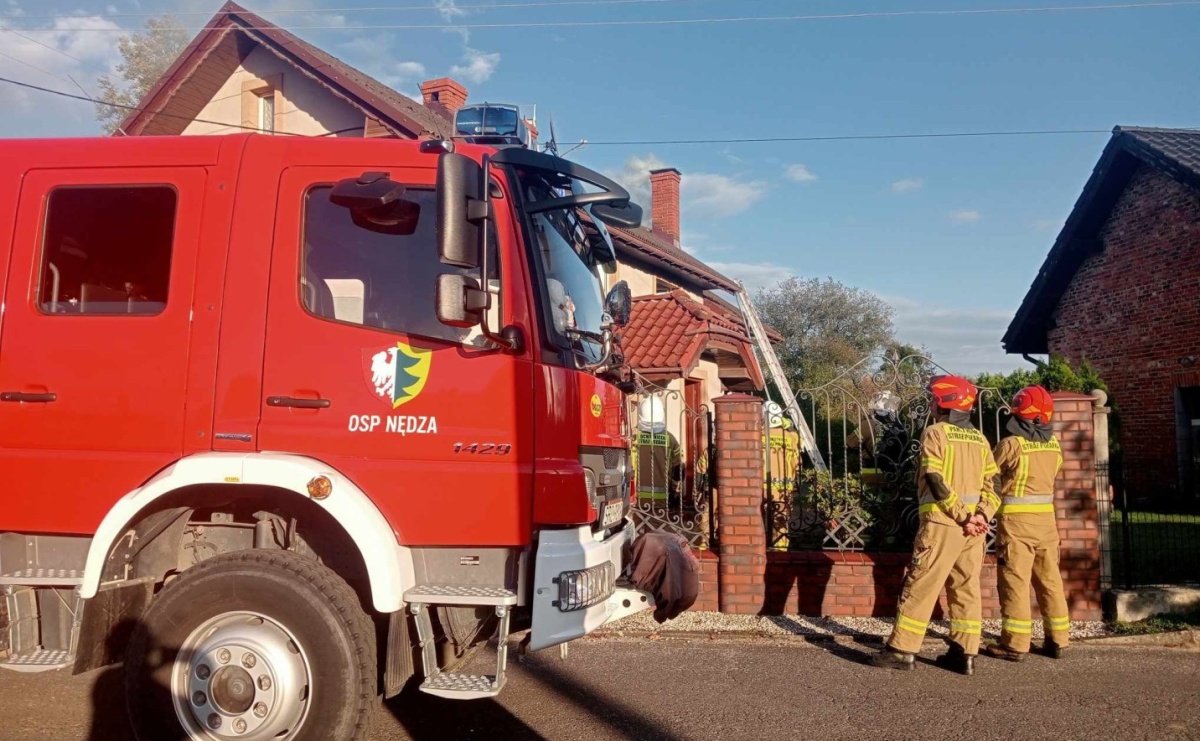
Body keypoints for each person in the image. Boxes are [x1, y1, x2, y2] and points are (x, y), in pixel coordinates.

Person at [871, 375, 1000, 675]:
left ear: (946, 403)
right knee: (966, 589)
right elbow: (995, 485)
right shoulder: (981, 440)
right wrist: (982, 516)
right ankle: (964, 652)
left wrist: (964, 517)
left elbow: (934, 478)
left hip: (943, 523)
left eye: (934, 399)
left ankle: (902, 650)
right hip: (974, 531)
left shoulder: (935, 433)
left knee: (922, 584)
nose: (930, 404)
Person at [982, 385, 1071, 661]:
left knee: (1015, 581)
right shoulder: (1055, 445)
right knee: (1050, 581)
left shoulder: (1011, 444)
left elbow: (989, 474)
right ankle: (1058, 641)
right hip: (1047, 524)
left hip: (1017, 525)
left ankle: (1015, 644)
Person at [632, 395, 682, 506]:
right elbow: (678, 469)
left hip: (636, 499)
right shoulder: (670, 439)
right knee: (658, 523)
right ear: (661, 414)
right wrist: (674, 489)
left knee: (636, 523)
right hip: (661, 500)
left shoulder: (634, 438)